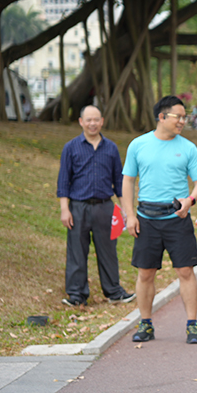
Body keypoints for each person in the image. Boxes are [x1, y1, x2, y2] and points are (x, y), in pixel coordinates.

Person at [121, 96, 197, 344]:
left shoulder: (188, 148)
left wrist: (190, 200)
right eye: (178, 117)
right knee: (146, 273)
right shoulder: (138, 145)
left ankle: (192, 324)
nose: (182, 121)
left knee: (185, 271)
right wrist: (130, 215)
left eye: (184, 117)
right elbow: (128, 180)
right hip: (146, 218)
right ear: (161, 117)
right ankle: (146, 323)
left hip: (177, 218)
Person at [57, 105, 134, 306]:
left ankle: (114, 292)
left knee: (108, 251)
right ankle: (76, 295)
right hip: (78, 208)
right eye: (88, 120)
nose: (92, 123)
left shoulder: (111, 148)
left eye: (96, 120)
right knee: (76, 251)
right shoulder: (70, 147)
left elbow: (119, 181)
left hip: (104, 208)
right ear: (81, 122)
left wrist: (125, 209)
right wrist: (65, 209)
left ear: (102, 121)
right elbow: (64, 180)